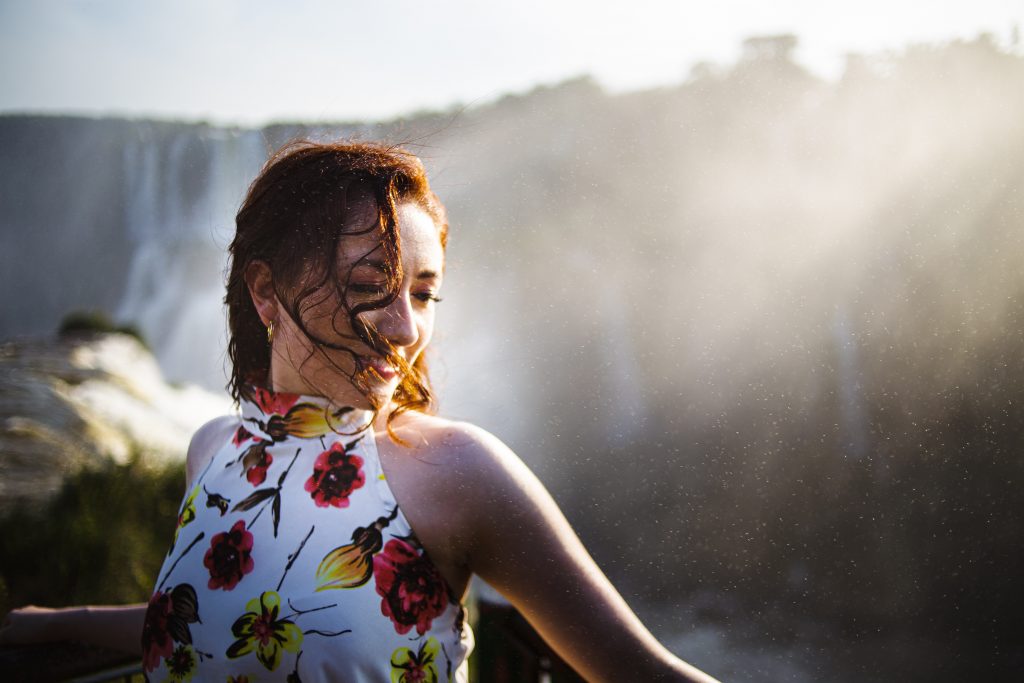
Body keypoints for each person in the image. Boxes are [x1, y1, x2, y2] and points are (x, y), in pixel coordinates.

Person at [0, 141, 720, 682]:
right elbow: (232, 615)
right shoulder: (212, 450)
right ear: (265, 294)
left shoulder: (456, 473)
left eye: (426, 293)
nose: (407, 328)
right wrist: (69, 621)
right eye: (372, 284)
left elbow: (640, 672)